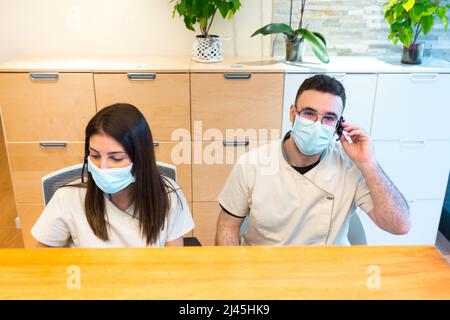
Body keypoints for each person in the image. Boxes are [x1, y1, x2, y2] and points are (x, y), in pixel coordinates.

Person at [216, 75, 410, 246]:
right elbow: (227, 227)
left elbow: (399, 225)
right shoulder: (251, 165)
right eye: (309, 113)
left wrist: (369, 163)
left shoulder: (351, 165)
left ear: (338, 125)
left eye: (329, 118)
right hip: (266, 271)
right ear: (293, 114)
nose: (318, 124)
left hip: (327, 271)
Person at [32, 103, 194, 247]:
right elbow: (43, 263)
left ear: (140, 158)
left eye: (115, 158)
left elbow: (173, 265)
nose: (102, 167)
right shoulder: (68, 197)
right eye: (95, 156)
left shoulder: (168, 195)